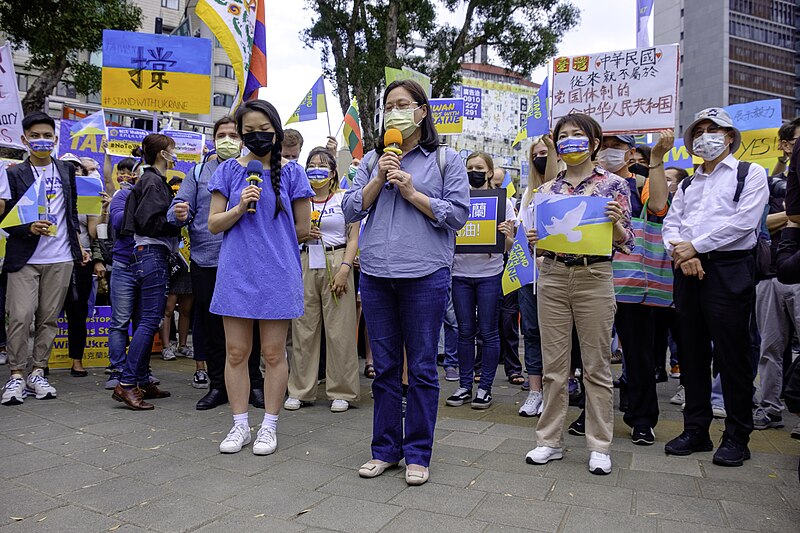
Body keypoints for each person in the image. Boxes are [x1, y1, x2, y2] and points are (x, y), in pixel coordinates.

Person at [343, 79, 470, 486]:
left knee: (421, 369)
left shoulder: (447, 159)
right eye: (389, 105)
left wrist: (414, 193)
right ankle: (384, 450)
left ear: (421, 111)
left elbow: (459, 215)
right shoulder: (373, 160)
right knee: (384, 370)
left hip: (425, 274)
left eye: (404, 104)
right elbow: (348, 209)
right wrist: (378, 179)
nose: (395, 110)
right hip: (377, 275)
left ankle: (418, 452)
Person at [524, 113, 634, 476]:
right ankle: (549, 441)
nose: (570, 141)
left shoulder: (614, 185)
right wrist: (535, 240)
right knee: (555, 367)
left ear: (595, 142)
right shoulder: (546, 190)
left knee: (596, 366)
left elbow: (627, 243)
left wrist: (616, 222)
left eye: (578, 135)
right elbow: (536, 241)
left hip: (595, 276)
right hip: (553, 275)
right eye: (564, 136)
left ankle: (599, 445)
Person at [662, 107, 768, 467]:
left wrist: (698, 246)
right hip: (686, 270)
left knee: (732, 355)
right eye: (699, 130)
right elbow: (672, 224)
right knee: (691, 353)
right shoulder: (690, 182)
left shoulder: (749, 173)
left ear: (729, 136)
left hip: (729, 269)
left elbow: (745, 223)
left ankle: (738, 435)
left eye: (713, 129)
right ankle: (696, 429)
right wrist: (683, 251)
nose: (705, 136)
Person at [208, 99, 313, 455]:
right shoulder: (227, 171)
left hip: (278, 272)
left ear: (276, 131)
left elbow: (302, 228)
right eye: (249, 131)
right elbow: (212, 223)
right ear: (239, 133)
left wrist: (274, 241)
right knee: (236, 352)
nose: (257, 137)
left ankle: (268, 426)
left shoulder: (294, 173)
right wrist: (239, 207)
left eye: (264, 131)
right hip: (236, 271)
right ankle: (240, 425)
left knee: (272, 353)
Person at [169, 116, 266, 410]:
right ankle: (218, 385)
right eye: (222, 134)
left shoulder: (255, 168)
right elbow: (175, 209)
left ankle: (255, 384)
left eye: (233, 134)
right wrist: (179, 212)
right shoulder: (198, 173)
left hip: (246, 260)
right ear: (213, 140)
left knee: (251, 324)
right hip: (206, 260)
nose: (228, 139)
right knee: (210, 325)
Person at [1, 112, 90, 406]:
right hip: (24, 257)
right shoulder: (13, 174)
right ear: (25, 140)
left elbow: (72, 213)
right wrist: (27, 227)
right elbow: (5, 219)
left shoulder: (65, 170)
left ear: (55, 138)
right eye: (35, 136)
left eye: (47, 136)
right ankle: (16, 374)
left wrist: (79, 248)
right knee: (21, 316)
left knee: (48, 319)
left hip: (61, 257)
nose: (42, 141)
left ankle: (38, 372)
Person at [597, 132, 672, 445]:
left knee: (638, 355)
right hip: (591, 278)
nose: (611, 152)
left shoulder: (641, 183)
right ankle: (591, 415)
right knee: (593, 356)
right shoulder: (585, 184)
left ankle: (642, 419)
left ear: (630, 152)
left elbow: (659, 206)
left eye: (618, 146)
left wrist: (656, 159)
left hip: (631, 282)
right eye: (605, 146)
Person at [286, 146, 359, 412]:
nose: (316, 170)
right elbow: (286, 235)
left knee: (339, 330)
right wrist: (304, 234)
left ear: (332, 172)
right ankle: (300, 390)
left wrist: (344, 268)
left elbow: (353, 238)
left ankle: (342, 391)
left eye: (322, 165)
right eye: (311, 165)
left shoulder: (344, 198)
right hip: (305, 260)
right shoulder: (298, 200)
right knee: (303, 329)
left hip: (336, 259)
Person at [112, 134, 179, 410]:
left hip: (146, 254)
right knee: (150, 319)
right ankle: (127, 383)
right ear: (163, 154)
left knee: (146, 318)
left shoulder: (150, 180)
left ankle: (139, 378)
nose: (175, 154)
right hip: (152, 253)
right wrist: (176, 219)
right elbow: (147, 222)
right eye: (172, 150)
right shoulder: (153, 181)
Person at [446, 152, 515, 410]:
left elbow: (510, 246)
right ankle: (465, 385)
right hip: (460, 274)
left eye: (479, 167)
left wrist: (507, 235)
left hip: (489, 275)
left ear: (489, 172)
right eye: (469, 167)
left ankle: (484, 388)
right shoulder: (456, 201)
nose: (473, 171)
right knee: (464, 332)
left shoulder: (502, 204)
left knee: (488, 332)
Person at [752, 118, 800, 431]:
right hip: (770, 275)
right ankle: (769, 408)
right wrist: (793, 217)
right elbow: (759, 223)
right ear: (783, 145)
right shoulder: (769, 183)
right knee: (770, 347)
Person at [59, 153, 105, 377]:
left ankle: (77, 359)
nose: (72, 171)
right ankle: (42, 362)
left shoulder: (88, 193)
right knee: (47, 310)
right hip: (55, 257)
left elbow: (94, 233)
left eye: (76, 168)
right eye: (67, 167)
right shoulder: (51, 193)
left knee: (78, 311)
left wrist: (102, 208)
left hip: (82, 259)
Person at [517, 137, 551, 416]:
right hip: (530, 275)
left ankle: (556, 391)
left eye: (546, 152)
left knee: (557, 335)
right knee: (531, 331)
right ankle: (534, 391)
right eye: (537, 154)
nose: (541, 157)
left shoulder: (564, 188)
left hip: (557, 272)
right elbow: (522, 234)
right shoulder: (527, 194)